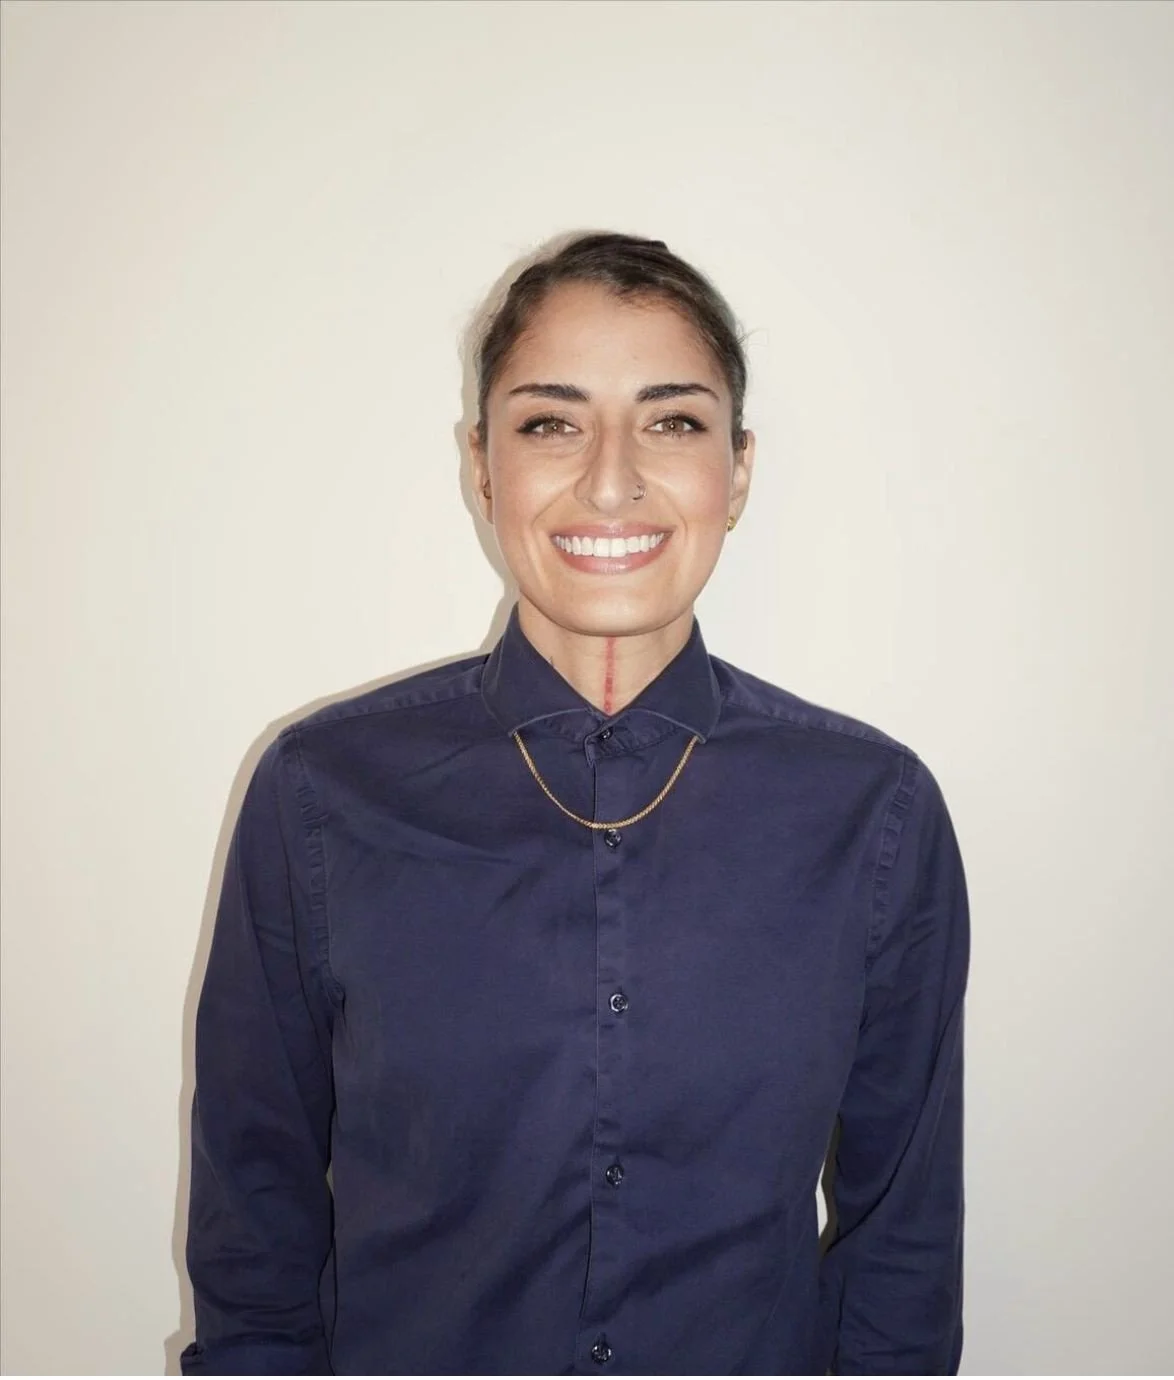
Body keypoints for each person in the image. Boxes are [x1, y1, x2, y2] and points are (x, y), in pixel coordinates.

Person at [180, 232, 969, 1376]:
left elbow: (901, 1247)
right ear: (481, 464)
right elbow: (255, 1225)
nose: (610, 478)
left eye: (673, 420)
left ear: (737, 470)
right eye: (551, 421)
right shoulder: (322, 793)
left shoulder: (871, 814)